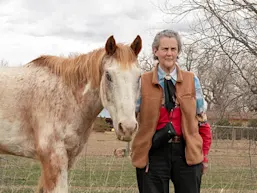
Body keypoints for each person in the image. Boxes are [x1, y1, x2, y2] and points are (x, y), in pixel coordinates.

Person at [131, 29, 212, 193]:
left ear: (178, 52)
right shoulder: (142, 81)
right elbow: (131, 117)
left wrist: (202, 154)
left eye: (173, 49)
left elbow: (201, 120)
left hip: (186, 152)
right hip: (153, 152)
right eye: (164, 49)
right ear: (155, 51)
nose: (169, 54)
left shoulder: (191, 80)